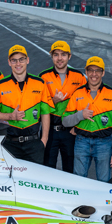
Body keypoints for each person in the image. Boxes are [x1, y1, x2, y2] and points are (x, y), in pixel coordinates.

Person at [63, 56, 112, 182]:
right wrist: (80, 115)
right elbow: (65, 121)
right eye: (91, 70)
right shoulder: (78, 93)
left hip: (104, 144)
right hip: (81, 142)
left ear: (103, 72)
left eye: (97, 70)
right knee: (78, 181)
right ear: (86, 72)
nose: (94, 74)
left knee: (104, 182)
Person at [0, 45, 53, 164]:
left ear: (27, 60)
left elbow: (45, 112)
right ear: (9, 62)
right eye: (14, 60)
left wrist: (44, 140)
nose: (18, 63)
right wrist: (10, 116)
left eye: (21, 59)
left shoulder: (40, 83)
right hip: (10, 143)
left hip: (34, 143)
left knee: (35, 180)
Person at [39, 41, 87, 172]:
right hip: (50, 130)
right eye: (56, 55)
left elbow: (86, 104)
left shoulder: (79, 77)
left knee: (70, 169)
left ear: (69, 56)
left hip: (70, 132)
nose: (59, 58)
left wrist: (78, 127)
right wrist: (53, 101)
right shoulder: (43, 77)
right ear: (52, 57)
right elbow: (38, 107)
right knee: (47, 169)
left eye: (63, 55)